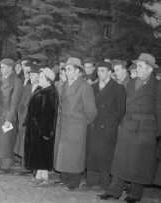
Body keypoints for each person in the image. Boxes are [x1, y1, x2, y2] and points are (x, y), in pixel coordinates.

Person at [98, 53, 160, 203]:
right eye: (137, 65)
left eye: (139, 66)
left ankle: (135, 194)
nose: (136, 69)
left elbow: (159, 110)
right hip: (127, 126)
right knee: (120, 161)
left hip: (145, 129)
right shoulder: (132, 83)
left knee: (139, 163)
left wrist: (155, 133)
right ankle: (114, 191)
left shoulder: (157, 87)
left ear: (149, 69)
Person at [54, 57, 97, 190]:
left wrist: (82, 122)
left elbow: (91, 111)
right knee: (63, 152)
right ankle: (64, 177)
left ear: (78, 71)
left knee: (74, 155)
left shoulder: (84, 87)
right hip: (63, 124)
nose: (67, 73)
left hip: (76, 125)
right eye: (66, 70)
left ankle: (74, 180)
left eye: (69, 70)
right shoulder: (63, 85)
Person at [85, 61, 126, 190]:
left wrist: (110, 122)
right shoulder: (93, 87)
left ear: (109, 72)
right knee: (92, 153)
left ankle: (104, 183)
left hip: (108, 127)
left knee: (106, 156)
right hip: (94, 124)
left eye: (103, 71)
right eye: (98, 71)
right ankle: (91, 181)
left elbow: (121, 110)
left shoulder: (118, 88)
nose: (100, 73)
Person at [0, 58, 23, 172]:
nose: (1, 69)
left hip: (6, 113)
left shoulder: (16, 81)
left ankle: (5, 164)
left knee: (5, 139)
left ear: (10, 68)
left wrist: (10, 117)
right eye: (1, 67)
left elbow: (15, 101)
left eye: (3, 67)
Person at [24, 67, 59, 186]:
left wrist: (45, 131)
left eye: (42, 78)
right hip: (35, 127)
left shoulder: (49, 93)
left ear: (49, 80)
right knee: (39, 152)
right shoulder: (42, 90)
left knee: (41, 152)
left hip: (42, 128)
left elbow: (49, 114)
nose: (39, 79)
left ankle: (40, 175)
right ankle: (42, 175)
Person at [14, 62, 39, 175]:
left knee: (34, 144)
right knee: (24, 143)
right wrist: (21, 117)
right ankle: (25, 166)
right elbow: (21, 104)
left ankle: (34, 167)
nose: (29, 75)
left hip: (35, 121)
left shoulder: (41, 88)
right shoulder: (27, 87)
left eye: (32, 74)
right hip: (24, 119)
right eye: (29, 73)